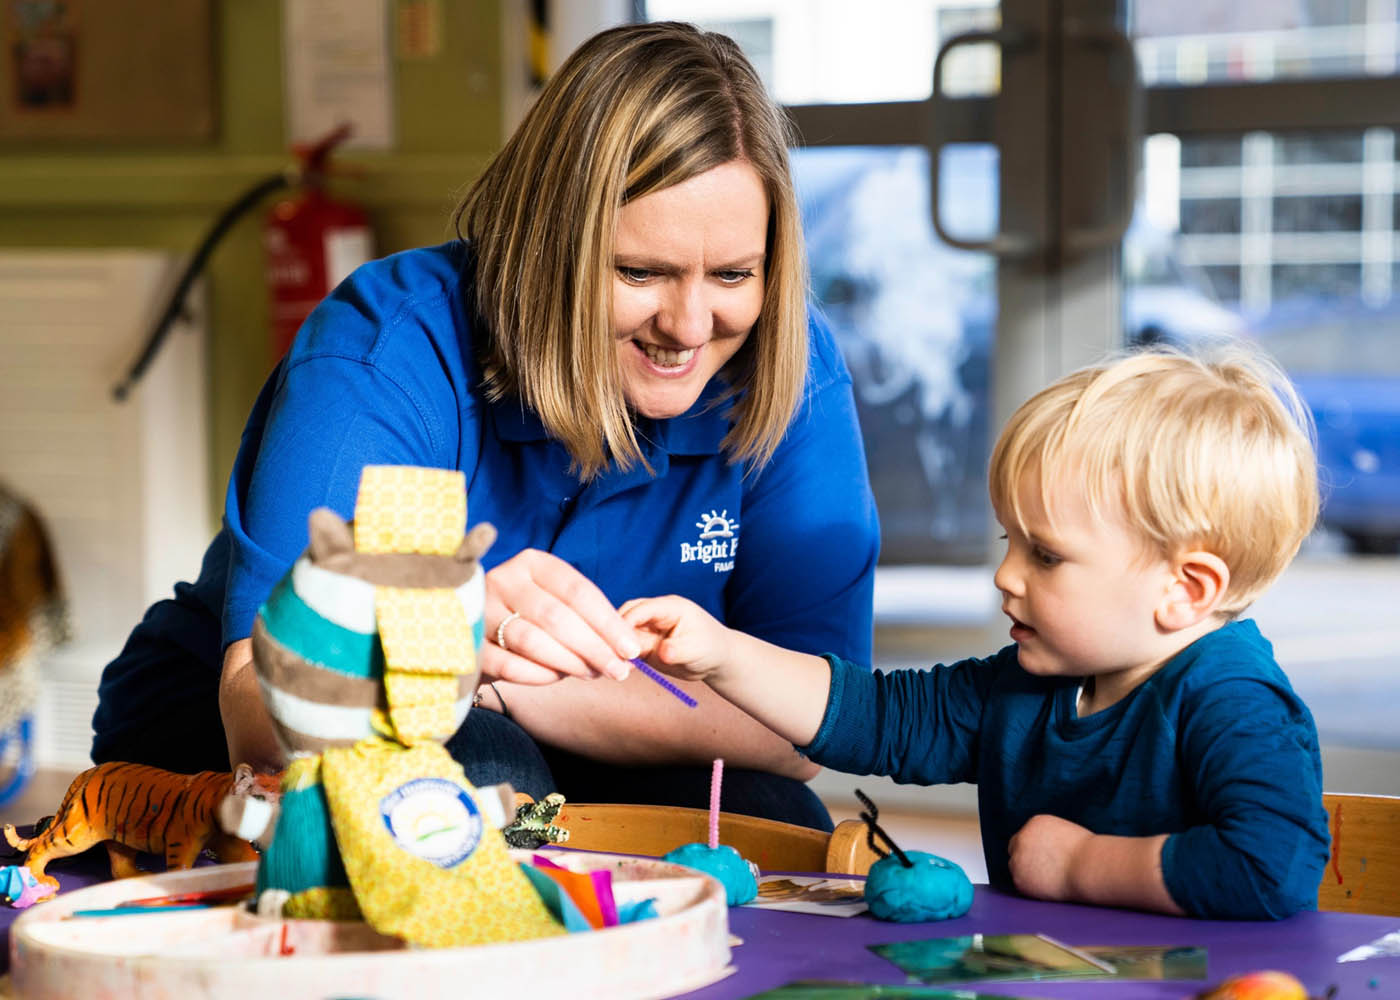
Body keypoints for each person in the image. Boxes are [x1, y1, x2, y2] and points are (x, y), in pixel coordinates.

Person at [90, 21, 880, 831]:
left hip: (583, 728)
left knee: (774, 819)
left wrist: (509, 680)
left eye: (733, 275)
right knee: (485, 784)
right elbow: (260, 718)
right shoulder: (384, 350)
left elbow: (805, 723)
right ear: (550, 248)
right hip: (244, 730)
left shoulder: (788, 364)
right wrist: (441, 638)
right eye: (641, 272)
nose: (688, 324)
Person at [623, 346, 1331, 919]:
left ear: (1186, 590)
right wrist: (720, 653)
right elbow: (875, 717)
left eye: (1045, 556)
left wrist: (1081, 866)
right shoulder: (1026, 685)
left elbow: (1272, 867)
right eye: (1009, 542)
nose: (1006, 576)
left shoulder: (1234, 702)